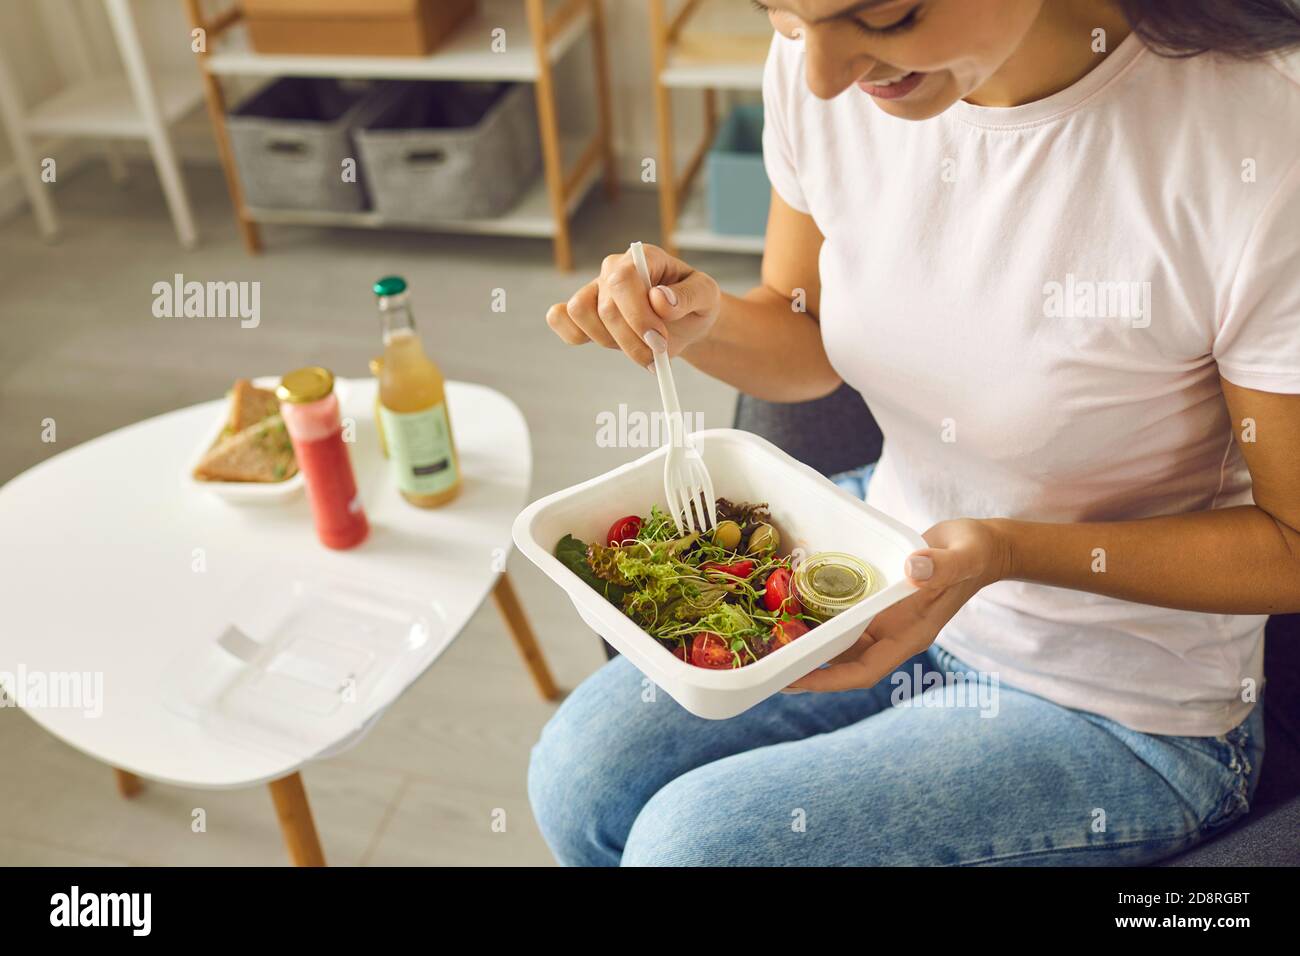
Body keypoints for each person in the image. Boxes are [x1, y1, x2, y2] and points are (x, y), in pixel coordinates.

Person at [530, 0, 1300, 866]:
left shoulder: (1260, 142)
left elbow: (1292, 544)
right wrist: (700, 319)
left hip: (1119, 696)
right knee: (577, 777)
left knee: (694, 849)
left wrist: (1004, 553)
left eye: (887, 15)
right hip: (890, 558)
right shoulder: (823, 73)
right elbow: (809, 341)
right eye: (783, 18)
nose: (821, 77)